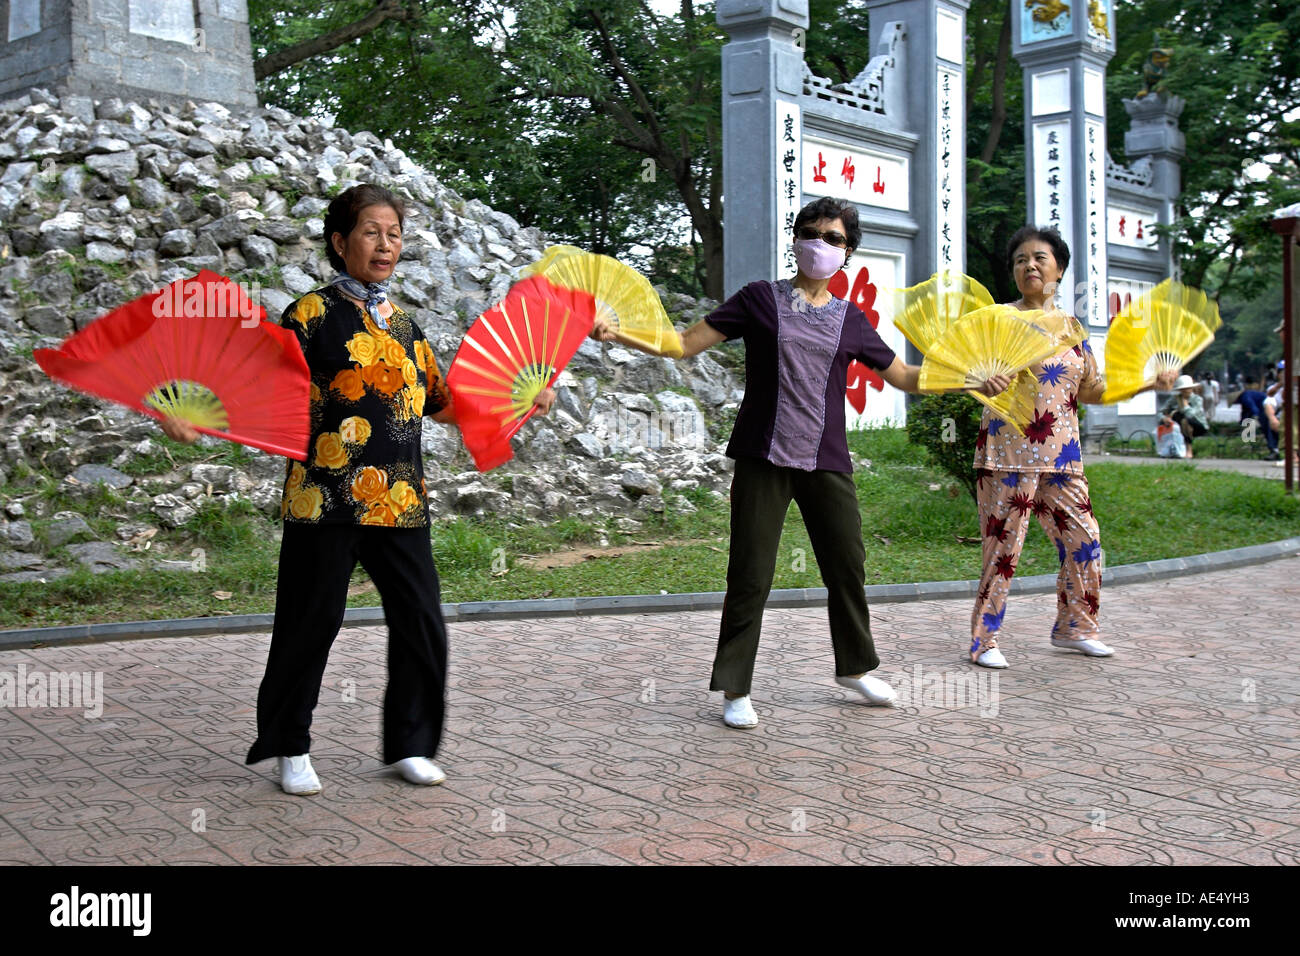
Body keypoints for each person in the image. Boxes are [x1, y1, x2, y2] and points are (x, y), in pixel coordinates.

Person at [163, 183, 554, 795]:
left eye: (394, 234)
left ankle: (410, 744)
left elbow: (444, 404)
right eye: (371, 232)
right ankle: (290, 745)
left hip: (399, 500)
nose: (385, 244)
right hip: (323, 498)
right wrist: (197, 416)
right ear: (340, 242)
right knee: (310, 622)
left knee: (422, 621)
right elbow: (256, 383)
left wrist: (521, 398)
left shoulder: (406, 325)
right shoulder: (310, 315)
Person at [591, 197, 1007, 728]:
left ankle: (854, 667)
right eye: (810, 233)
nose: (819, 244)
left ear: (848, 252)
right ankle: (735, 688)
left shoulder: (850, 318)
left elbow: (903, 376)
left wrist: (971, 378)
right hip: (764, 455)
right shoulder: (759, 300)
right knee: (751, 572)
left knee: (847, 566)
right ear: (795, 241)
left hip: (826, 458)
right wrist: (617, 330)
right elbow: (679, 344)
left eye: (832, 238)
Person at [968, 225, 1176, 669]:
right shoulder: (997, 319)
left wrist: (1145, 383)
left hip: (1063, 456)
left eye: (1040, 258)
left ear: (1059, 269)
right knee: (1004, 549)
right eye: (1021, 259)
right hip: (1007, 455)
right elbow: (968, 376)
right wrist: (983, 381)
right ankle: (984, 640)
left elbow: (1093, 389)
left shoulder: (1072, 327)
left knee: (1085, 541)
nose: (1030, 266)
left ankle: (1075, 627)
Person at [1159, 374, 1209, 459]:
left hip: (1197, 425)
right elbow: (1161, 411)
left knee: (1186, 421)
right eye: (1183, 389)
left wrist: (1185, 405)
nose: (1186, 391)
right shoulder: (1175, 399)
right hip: (1181, 426)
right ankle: (1174, 449)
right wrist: (1164, 418)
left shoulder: (1197, 399)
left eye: (1188, 388)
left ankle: (1189, 449)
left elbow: (1191, 415)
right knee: (1179, 417)